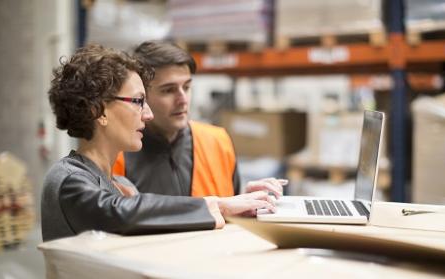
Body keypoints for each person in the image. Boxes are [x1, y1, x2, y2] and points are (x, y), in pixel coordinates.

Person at [41, 44, 276, 242]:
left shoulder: (119, 184)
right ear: (98, 110)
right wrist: (219, 205)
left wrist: (240, 207)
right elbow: (119, 213)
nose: (148, 114)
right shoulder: (68, 179)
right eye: (138, 101)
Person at [112, 40, 286, 198]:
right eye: (168, 90)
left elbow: (230, 212)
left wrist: (247, 201)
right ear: (142, 96)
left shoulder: (217, 142)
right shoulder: (117, 155)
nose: (183, 99)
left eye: (187, 87)